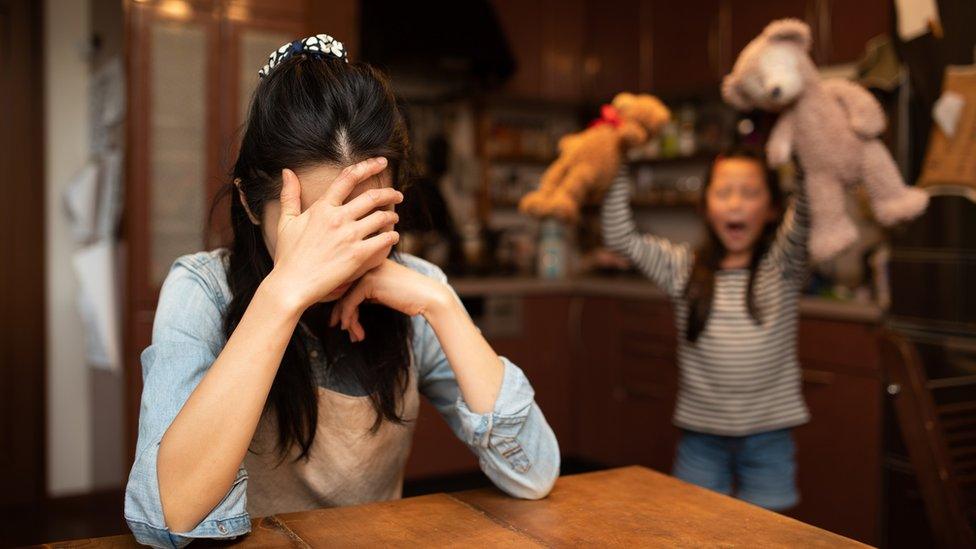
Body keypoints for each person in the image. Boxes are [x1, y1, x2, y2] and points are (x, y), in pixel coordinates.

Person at [124, 34, 559, 547]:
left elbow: (533, 474)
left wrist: (441, 305)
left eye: (365, 221)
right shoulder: (201, 288)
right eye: (314, 227)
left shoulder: (415, 288)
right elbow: (168, 517)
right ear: (247, 202)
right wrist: (283, 296)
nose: (340, 253)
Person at [601, 146, 809, 511]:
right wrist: (620, 159)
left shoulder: (783, 267)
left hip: (769, 437)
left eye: (750, 192)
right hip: (701, 439)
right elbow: (620, 237)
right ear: (705, 205)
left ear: (773, 208)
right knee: (693, 529)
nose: (735, 204)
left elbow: (810, 208)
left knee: (770, 536)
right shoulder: (681, 266)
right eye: (723, 192)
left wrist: (805, 145)